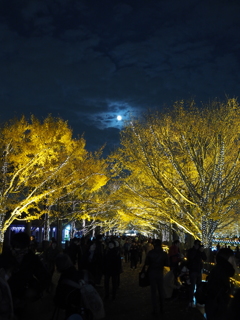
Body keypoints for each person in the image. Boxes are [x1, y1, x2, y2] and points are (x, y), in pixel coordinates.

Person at [7, 232, 51, 319]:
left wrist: (35, 291)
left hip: (24, 300)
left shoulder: (31, 259)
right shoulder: (6, 258)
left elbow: (45, 277)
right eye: (16, 247)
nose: (20, 253)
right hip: (6, 299)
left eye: (24, 249)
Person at [205, 248, 236, 320]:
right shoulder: (222, 272)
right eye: (232, 258)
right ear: (228, 259)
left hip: (213, 308)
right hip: (217, 310)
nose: (234, 260)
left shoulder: (218, 270)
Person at [144, 239, 169, 315]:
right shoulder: (164, 254)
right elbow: (167, 263)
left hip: (152, 272)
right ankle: (162, 308)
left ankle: (155, 309)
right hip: (159, 273)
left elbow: (146, 263)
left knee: (153, 292)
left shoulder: (150, 253)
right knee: (161, 290)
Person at [186, 239, 207, 307]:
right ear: (195, 245)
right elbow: (191, 257)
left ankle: (198, 301)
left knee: (199, 287)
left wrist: (202, 251)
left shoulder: (199, 251)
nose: (198, 246)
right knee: (192, 287)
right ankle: (190, 301)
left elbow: (205, 258)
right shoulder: (191, 251)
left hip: (198, 270)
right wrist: (196, 250)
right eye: (198, 244)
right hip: (193, 270)